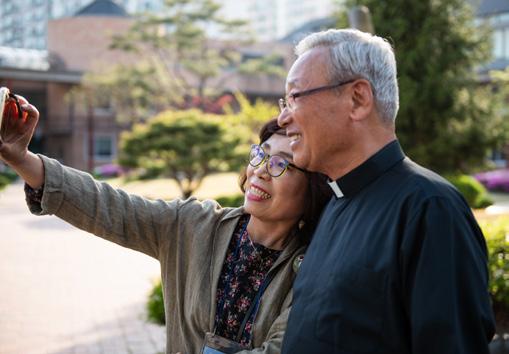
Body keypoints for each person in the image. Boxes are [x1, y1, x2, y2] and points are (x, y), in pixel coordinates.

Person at [0, 95, 332, 354]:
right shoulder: (194, 226)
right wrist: (21, 158)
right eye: (260, 153)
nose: (260, 169)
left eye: (280, 164)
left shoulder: (311, 269)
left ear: (313, 188)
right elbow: (109, 207)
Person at [276, 29, 496, 354]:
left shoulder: (430, 209)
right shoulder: (336, 203)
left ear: (358, 99)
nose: (283, 117)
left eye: (295, 97)